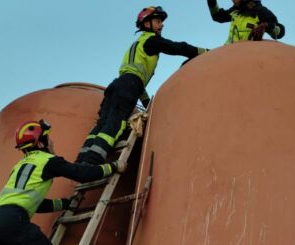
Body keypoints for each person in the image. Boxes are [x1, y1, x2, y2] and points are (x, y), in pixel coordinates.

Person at [0, 119, 126, 245]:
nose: (52, 142)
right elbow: (81, 173)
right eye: (48, 138)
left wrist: (64, 203)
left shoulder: (19, 166)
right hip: (14, 219)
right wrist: (112, 166)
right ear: (40, 144)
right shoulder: (47, 160)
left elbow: (35, 203)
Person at [76, 6, 208, 165]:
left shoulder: (137, 44)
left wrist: (147, 104)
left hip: (118, 84)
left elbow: (136, 80)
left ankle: (81, 160)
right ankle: (92, 162)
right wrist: (205, 52)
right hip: (129, 85)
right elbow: (178, 47)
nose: (162, 25)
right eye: (158, 21)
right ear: (147, 24)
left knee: (102, 123)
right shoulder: (150, 40)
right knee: (116, 123)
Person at [207, 0, 285, 44]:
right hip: (227, 53)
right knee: (194, 51)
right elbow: (217, 16)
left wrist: (266, 26)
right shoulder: (236, 10)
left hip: (246, 58)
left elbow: (280, 32)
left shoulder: (261, 11)